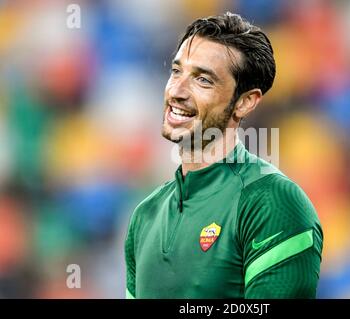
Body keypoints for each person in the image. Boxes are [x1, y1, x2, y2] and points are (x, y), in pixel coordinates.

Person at [125, 12, 323, 299]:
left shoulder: (273, 202)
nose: (177, 91)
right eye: (176, 71)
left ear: (244, 102)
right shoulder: (145, 216)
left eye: (203, 80)